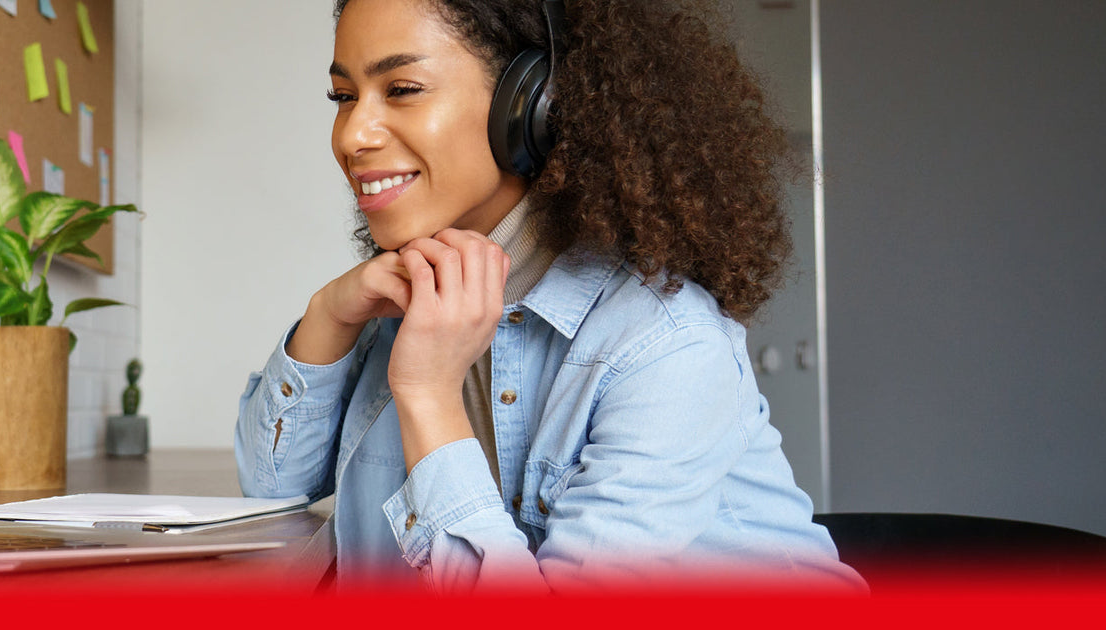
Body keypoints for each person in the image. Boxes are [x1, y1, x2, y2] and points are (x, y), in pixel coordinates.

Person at [234, 0, 866, 594]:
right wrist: (328, 318)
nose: (352, 136)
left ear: (533, 105)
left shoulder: (668, 346)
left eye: (401, 89)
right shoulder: (407, 299)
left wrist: (427, 395)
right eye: (343, 97)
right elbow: (270, 493)